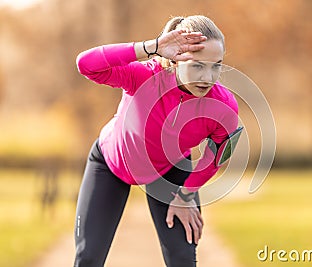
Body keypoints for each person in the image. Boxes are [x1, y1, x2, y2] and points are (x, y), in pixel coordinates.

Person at [74, 15, 239, 267]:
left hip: (170, 171)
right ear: (174, 60)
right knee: (88, 258)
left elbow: (216, 156)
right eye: (197, 65)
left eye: (215, 66)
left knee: (183, 260)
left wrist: (186, 194)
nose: (207, 77)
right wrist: (151, 47)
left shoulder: (223, 106)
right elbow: (87, 64)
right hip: (110, 164)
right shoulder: (143, 78)